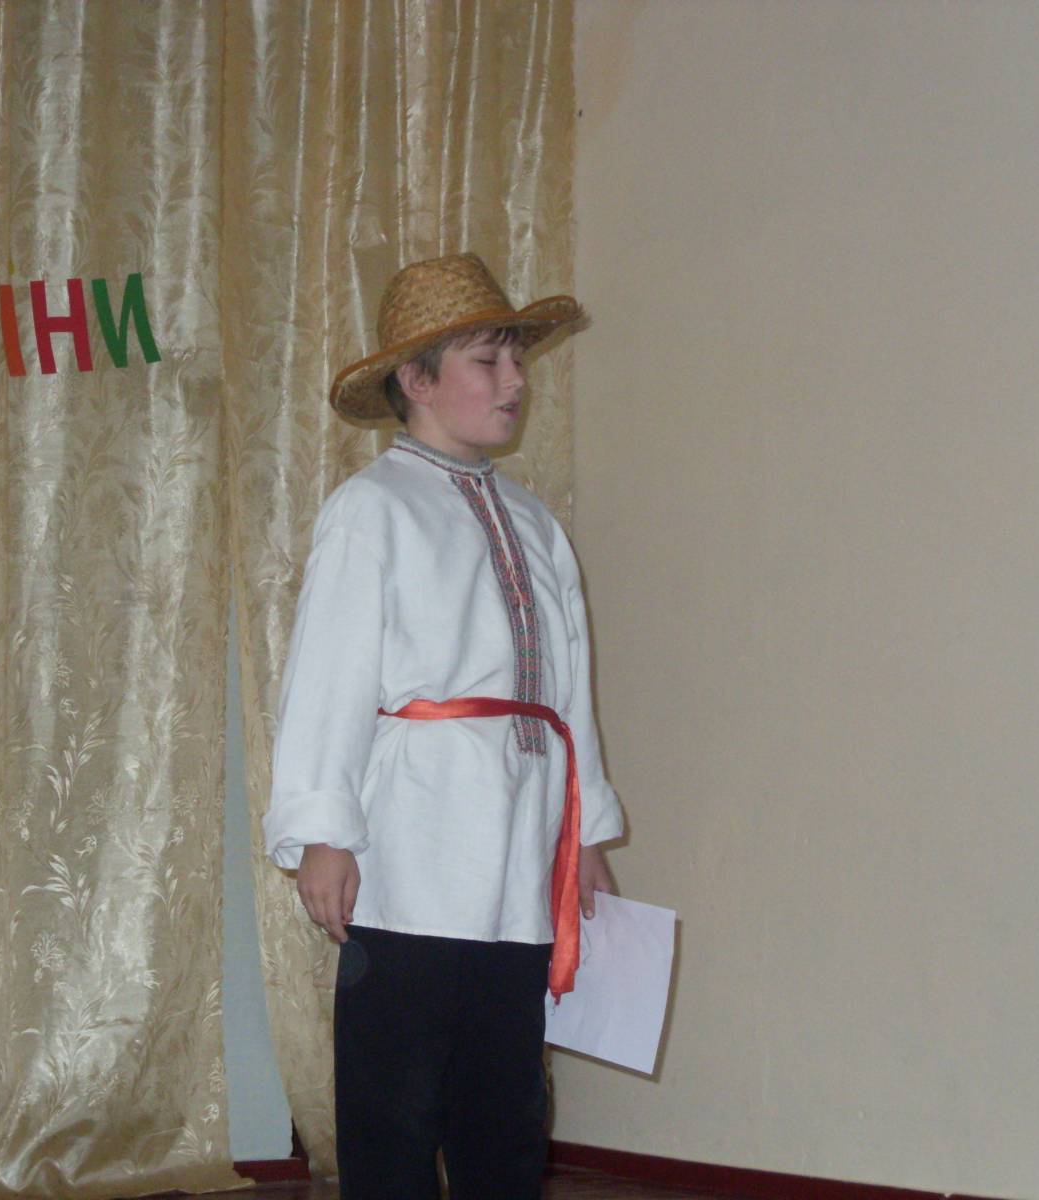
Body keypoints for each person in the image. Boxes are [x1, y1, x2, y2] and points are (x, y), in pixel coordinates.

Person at [263, 252, 624, 1199]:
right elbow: (329, 677)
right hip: (412, 864)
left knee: (506, 1105)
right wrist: (323, 831)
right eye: (486, 361)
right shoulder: (372, 510)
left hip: (517, 860)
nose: (515, 382)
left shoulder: (535, 524)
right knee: (394, 1107)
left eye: (517, 359)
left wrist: (584, 832)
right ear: (417, 382)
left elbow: (568, 692)